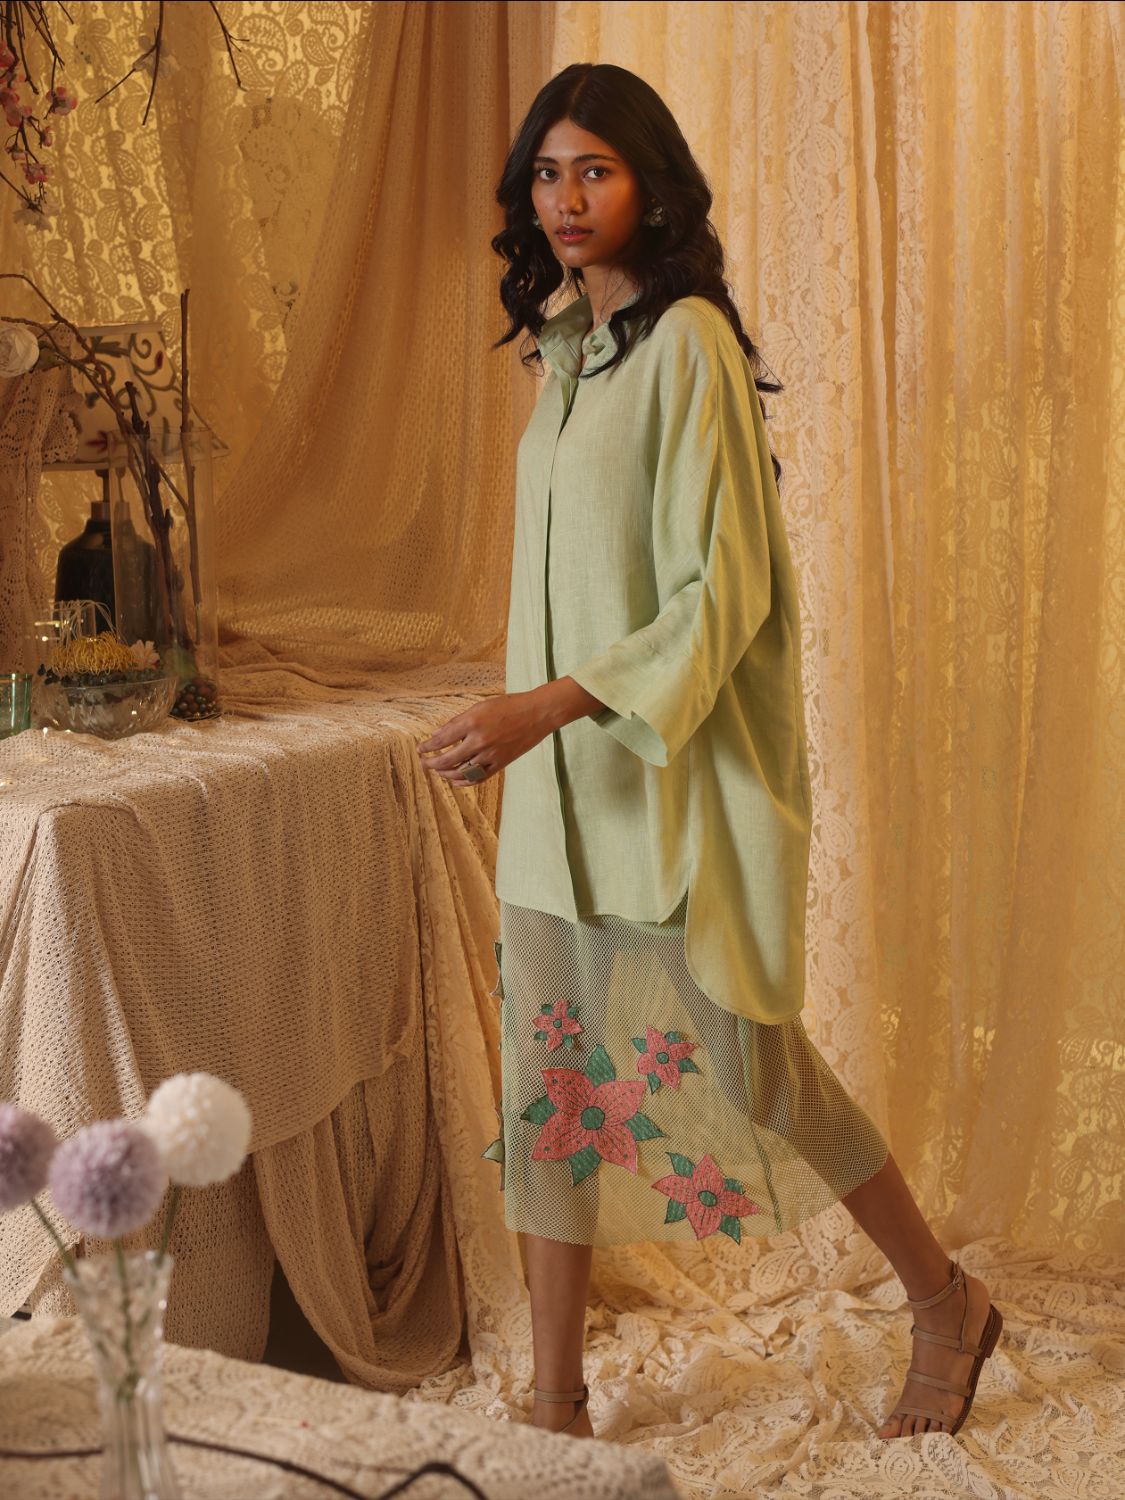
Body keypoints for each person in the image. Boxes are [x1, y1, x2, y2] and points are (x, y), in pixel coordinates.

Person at [416, 62, 1002, 1444]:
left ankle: (943, 1300)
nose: (566, 199)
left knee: (758, 1070)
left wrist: (543, 708)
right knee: (555, 1092)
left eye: (595, 170)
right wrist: (529, 721)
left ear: (651, 184)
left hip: (665, 789)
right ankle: (556, 1402)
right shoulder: (562, 354)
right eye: (548, 172)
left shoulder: (688, 347)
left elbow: (720, 593)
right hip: (561, 800)